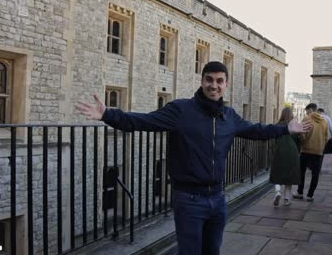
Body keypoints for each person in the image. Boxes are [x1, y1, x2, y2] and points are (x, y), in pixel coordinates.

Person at [76, 61, 312, 255]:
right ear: (202, 81)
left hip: (218, 198)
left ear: (226, 85)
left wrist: (285, 129)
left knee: (212, 252)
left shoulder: (229, 117)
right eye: (209, 79)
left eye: (219, 81)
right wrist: (108, 114)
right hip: (189, 199)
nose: (214, 85)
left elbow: (257, 131)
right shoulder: (180, 110)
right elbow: (143, 121)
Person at [293, 103, 330, 202]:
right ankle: (310, 195)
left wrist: (302, 141)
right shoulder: (324, 121)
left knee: (301, 172)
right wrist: (321, 145)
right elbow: (327, 137)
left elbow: (302, 135)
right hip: (318, 152)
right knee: (315, 174)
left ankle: (300, 193)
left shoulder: (306, 119)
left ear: (310, 110)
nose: (306, 113)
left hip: (306, 150)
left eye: (306, 111)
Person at [269, 107, 301, 206]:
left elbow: (273, 138)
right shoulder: (293, 125)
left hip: (280, 150)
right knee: (289, 175)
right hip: (292, 152)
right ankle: (287, 199)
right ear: (291, 114)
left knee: (277, 173)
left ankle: (278, 192)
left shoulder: (277, 125)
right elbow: (298, 141)